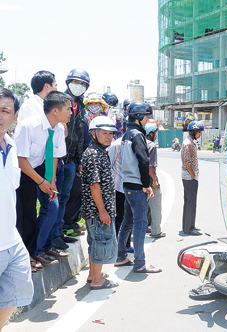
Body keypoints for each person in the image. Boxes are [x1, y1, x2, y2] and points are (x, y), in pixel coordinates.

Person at [14, 91, 73, 266]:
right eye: (68, 109)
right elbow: (20, 159)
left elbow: (54, 156)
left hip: (41, 169)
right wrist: (40, 181)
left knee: (52, 206)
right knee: (26, 214)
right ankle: (27, 256)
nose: (71, 112)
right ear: (55, 110)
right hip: (20, 173)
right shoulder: (28, 126)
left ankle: (43, 247)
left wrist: (51, 180)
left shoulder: (59, 127)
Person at [0, 88, 34, 328]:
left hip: (11, 240)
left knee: (15, 294)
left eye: (4, 110)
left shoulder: (11, 147)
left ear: (15, 116)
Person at [115, 101, 161, 273]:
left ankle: (120, 256)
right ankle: (140, 262)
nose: (148, 119)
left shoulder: (127, 134)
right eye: (147, 116)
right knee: (140, 224)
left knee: (127, 222)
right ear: (139, 116)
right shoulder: (138, 135)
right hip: (136, 185)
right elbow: (143, 160)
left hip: (126, 183)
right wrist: (146, 185)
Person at [82, 117, 119, 290]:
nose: (109, 136)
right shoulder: (94, 154)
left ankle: (93, 275)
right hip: (97, 211)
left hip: (96, 210)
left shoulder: (98, 151)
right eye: (104, 133)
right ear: (93, 133)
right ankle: (97, 280)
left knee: (95, 243)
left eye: (111, 133)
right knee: (101, 243)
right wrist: (103, 211)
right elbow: (94, 184)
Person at [62, 69, 89, 238]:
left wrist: (79, 160)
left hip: (73, 157)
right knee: (62, 195)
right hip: (60, 157)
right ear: (68, 82)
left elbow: (79, 137)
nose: (79, 86)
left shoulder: (80, 106)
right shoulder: (61, 102)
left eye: (82, 84)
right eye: (76, 82)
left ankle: (69, 223)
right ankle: (61, 229)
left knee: (75, 191)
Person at [181, 120, 204, 236]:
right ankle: (189, 228)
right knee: (191, 202)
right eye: (199, 132)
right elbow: (186, 162)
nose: (200, 135)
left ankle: (188, 225)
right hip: (189, 177)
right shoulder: (187, 143)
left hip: (190, 176)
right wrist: (193, 174)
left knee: (189, 202)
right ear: (194, 131)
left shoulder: (190, 142)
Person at [145, 119, 165, 238]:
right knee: (156, 206)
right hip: (150, 182)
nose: (156, 136)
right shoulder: (151, 145)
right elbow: (150, 166)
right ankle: (156, 230)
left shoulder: (139, 142)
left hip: (139, 181)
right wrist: (155, 180)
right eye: (156, 133)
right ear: (151, 133)